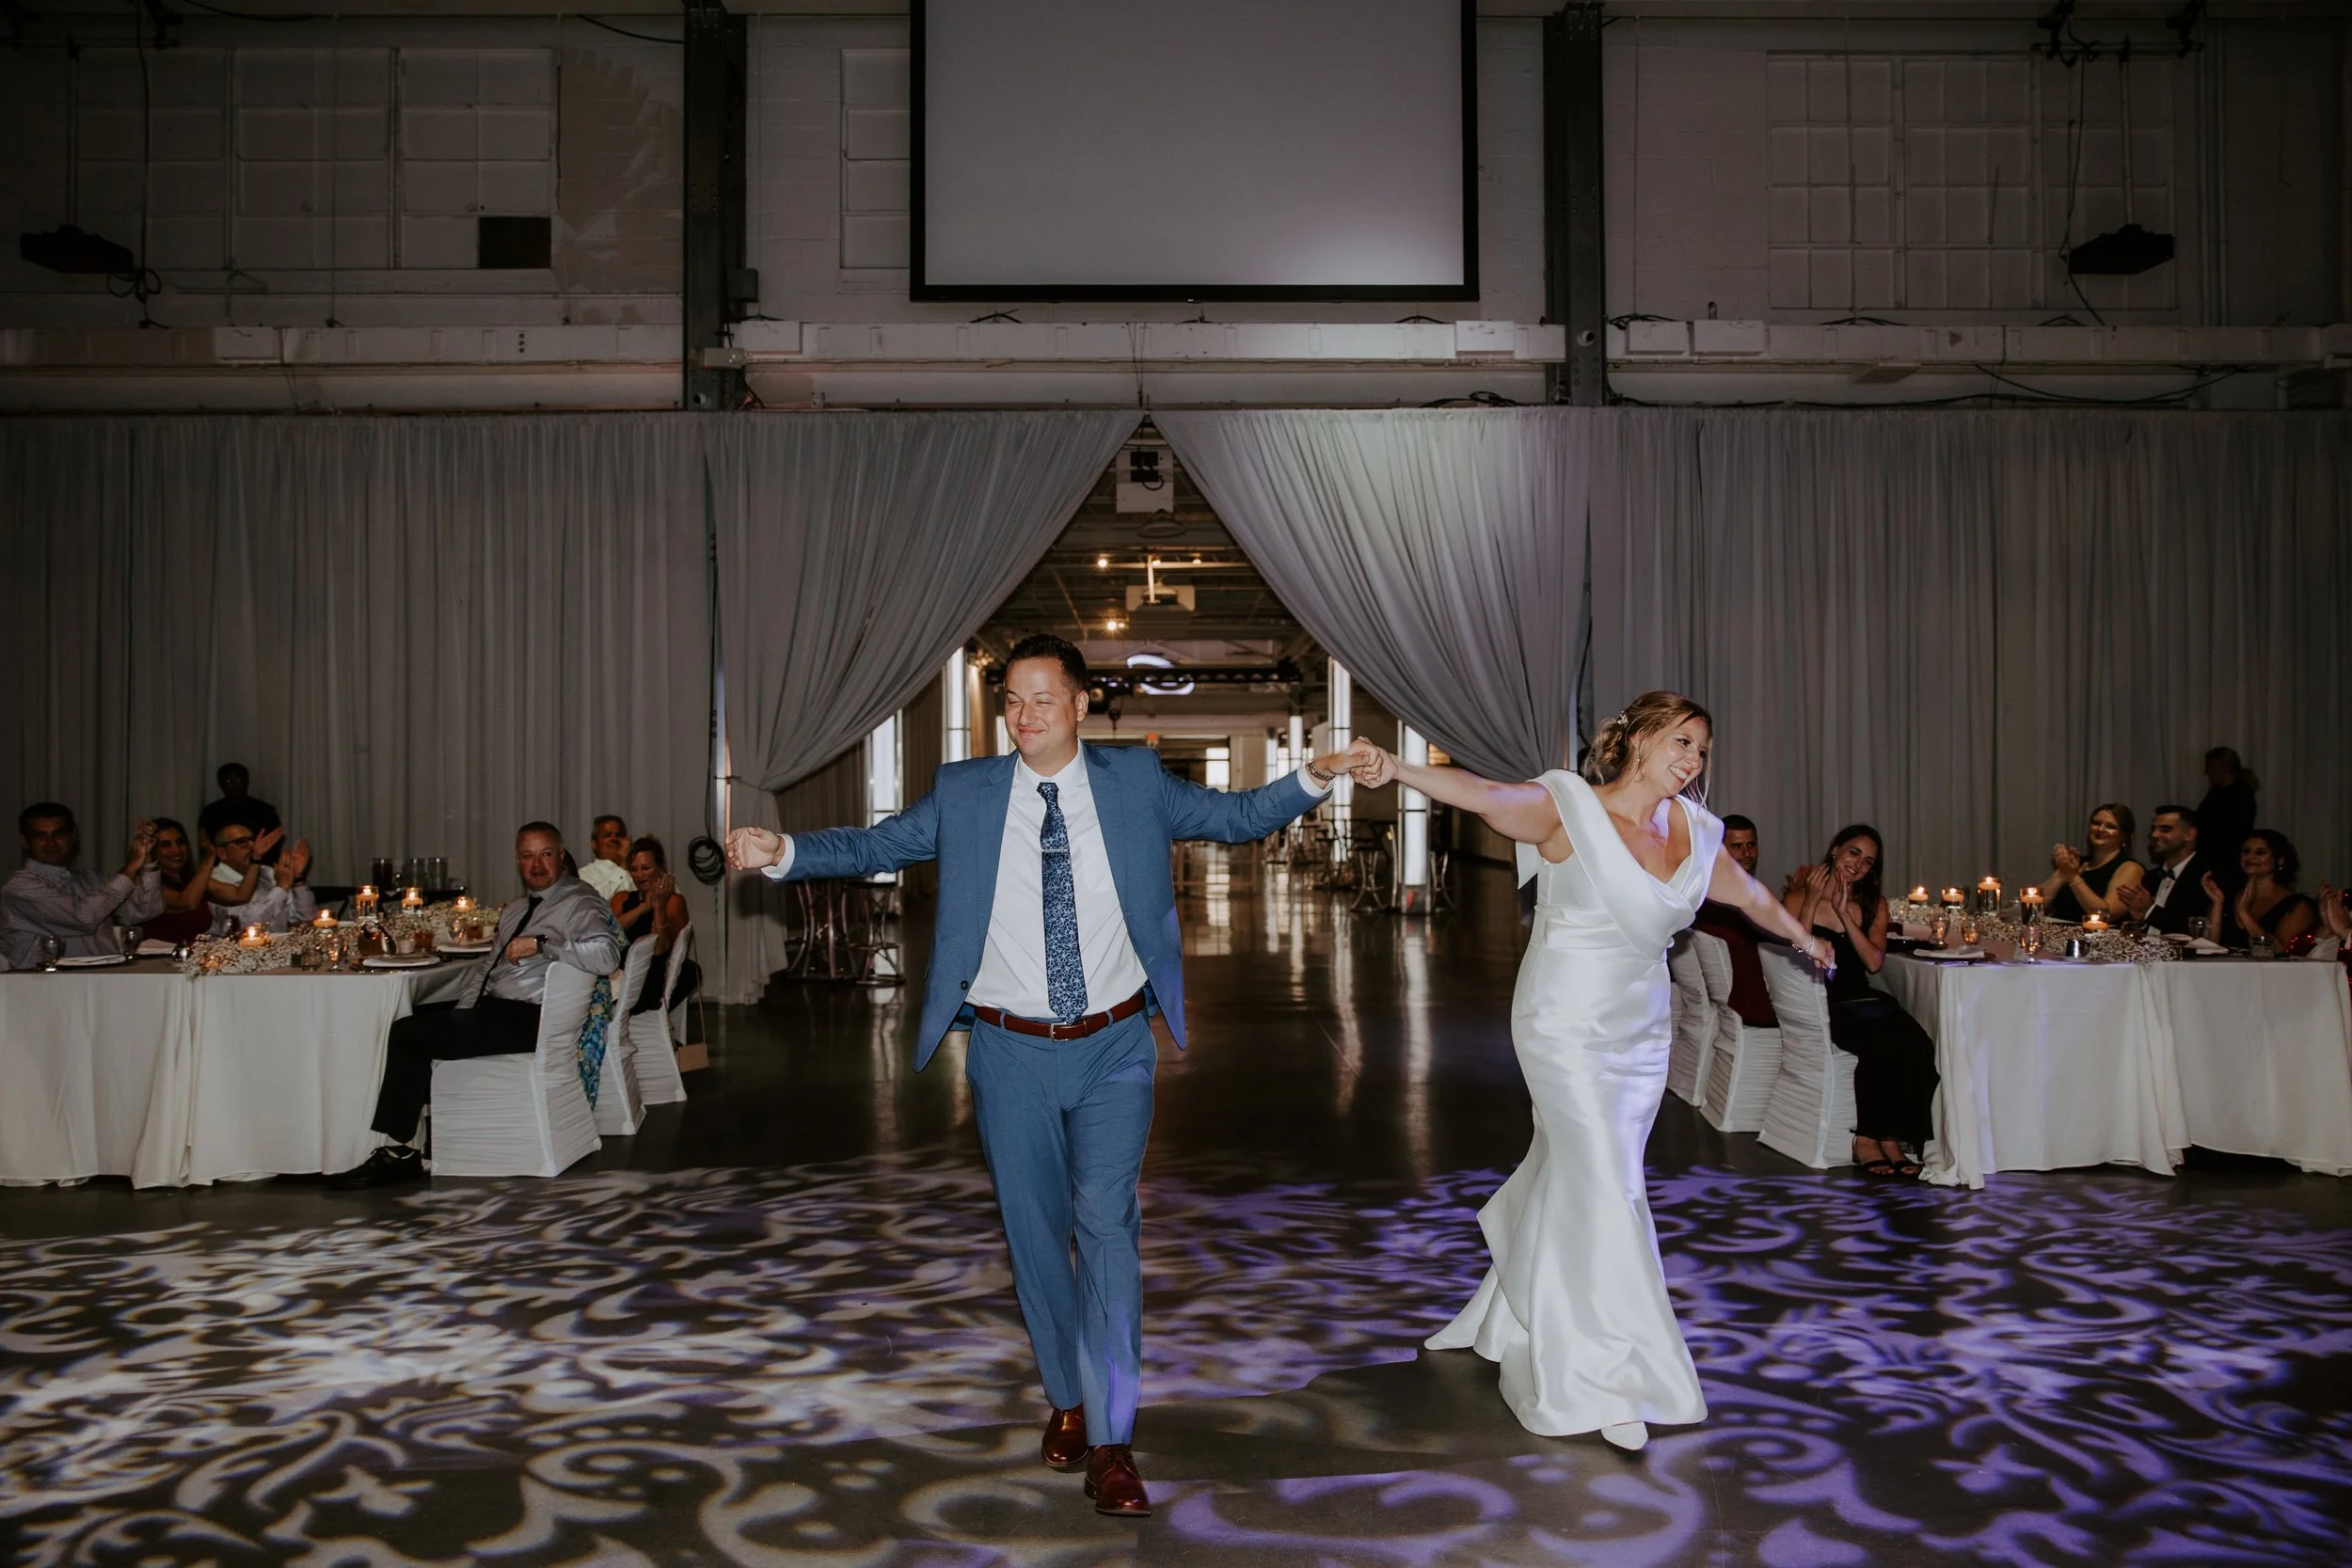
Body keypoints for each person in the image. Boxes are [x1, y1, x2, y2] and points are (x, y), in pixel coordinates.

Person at [725, 633, 1378, 1518]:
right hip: (1009, 1051)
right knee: (1035, 1235)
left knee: (1106, 1227)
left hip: (1114, 1047)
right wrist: (783, 850)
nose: (1024, 715)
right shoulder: (968, 790)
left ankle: (1112, 1441)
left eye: (1042, 698)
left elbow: (1237, 816)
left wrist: (1317, 773)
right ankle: (1067, 1395)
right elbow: (879, 842)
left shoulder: (1134, 780)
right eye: (1012, 700)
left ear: (1079, 703)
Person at [1354, 692, 1833, 1452]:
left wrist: (1804, 935)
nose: (1693, 760)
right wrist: (1397, 767)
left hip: (1641, 1033)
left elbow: (1747, 893)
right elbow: (1485, 795)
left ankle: (1505, 1313)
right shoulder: (1568, 806)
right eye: (1681, 741)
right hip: (1564, 1023)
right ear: (1638, 738)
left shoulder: (1694, 830)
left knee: (1578, 1175)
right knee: (1609, 1186)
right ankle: (1602, 1372)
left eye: (1702, 749)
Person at [330, 822, 625, 1190]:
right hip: (499, 1010)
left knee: (407, 1033)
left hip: (531, 1018)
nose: (537, 865)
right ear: (517, 860)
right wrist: (464, 1012)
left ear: (561, 856)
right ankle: (427, 1132)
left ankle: (398, 1151)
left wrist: (542, 944)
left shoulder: (579, 901)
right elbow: (488, 970)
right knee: (415, 1018)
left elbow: (607, 956)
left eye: (546, 854)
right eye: (528, 856)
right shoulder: (517, 908)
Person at [1785, 824, 1942, 1180]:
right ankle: (1867, 1138)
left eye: (1868, 861)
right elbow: (1797, 954)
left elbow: (1873, 962)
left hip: (1864, 997)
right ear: (1835, 850)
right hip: (1826, 1002)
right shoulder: (1798, 897)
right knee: (1881, 1044)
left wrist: (1845, 913)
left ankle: (1892, 1137)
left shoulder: (1874, 905)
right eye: (1853, 853)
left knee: (1918, 1044)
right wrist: (1812, 900)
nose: (1858, 864)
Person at [2, 803, 165, 969]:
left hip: (102, 975)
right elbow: (83, 918)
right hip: (45, 980)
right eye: (40, 836)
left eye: (59, 834)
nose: (51, 843)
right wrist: (131, 867)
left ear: (73, 836)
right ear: (25, 841)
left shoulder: (91, 878)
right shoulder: (20, 887)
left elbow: (144, 911)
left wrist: (148, 860)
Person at [1691, 813, 1779, 1027]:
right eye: (1737, 846)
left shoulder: (1731, 892)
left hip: (1722, 1009)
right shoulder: (1721, 902)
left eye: (1751, 845)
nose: (1746, 853)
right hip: (1749, 1007)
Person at [2201, 830, 2317, 952]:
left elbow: (2279, 951)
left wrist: (2244, 914)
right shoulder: (2226, 897)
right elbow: (2209, 949)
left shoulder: (2297, 905)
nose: (2250, 857)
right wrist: (2217, 905)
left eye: (2260, 852)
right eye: (2246, 851)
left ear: (2280, 860)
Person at [612, 834, 691, 1012]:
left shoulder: (674, 902)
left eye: (646, 868)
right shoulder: (621, 899)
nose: (640, 874)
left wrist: (659, 906)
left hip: (650, 976)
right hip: (618, 972)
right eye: (634, 869)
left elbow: (660, 948)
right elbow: (609, 933)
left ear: (660, 868)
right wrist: (642, 908)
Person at [147, 816, 249, 946]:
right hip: (158, 955)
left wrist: (256, 859)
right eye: (166, 845)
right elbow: (187, 903)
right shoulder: (148, 884)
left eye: (180, 843)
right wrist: (209, 857)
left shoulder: (192, 879)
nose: (176, 850)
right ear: (152, 851)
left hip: (194, 952)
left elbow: (240, 895)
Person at [2036, 803, 2144, 923]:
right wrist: (2062, 875)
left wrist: (2073, 877)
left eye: (2110, 826)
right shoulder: (2076, 863)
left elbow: (2105, 915)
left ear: (2124, 835)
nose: (2100, 829)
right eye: (2096, 823)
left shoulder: (2130, 868)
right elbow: (2033, 907)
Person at [2114, 805, 2210, 936]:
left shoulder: (2206, 878)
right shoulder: (2151, 877)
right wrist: (2140, 920)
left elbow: (2199, 932)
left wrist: (2150, 910)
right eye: (2153, 829)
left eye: (2165, 829)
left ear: (2189, 834)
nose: (2154, 835)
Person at [207, 823, 316, 931]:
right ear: (222, 853)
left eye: (253, 840)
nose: (252, 846)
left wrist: (298, 881)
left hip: (279, 941)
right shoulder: (213, 880)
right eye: (242, 842)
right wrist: (281, 888)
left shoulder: (267, 872)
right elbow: (245, 925)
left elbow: (305, 919)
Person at [198, 763, 283, 865]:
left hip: (261, 867)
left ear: (247, 781)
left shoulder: (266, 811)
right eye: (228, 780)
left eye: (238, 779)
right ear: (220, 784)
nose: (234, 785)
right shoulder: (211, 813)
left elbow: (274, 846)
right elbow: (206, 846)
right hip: (222, 869)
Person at [579, 815, 634, 902]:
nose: (614, 838)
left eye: (619, 835)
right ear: (594, 844)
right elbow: (598, 900)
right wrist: (622, 866)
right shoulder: (584, 874)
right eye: (607, 835)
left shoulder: (639, 870)